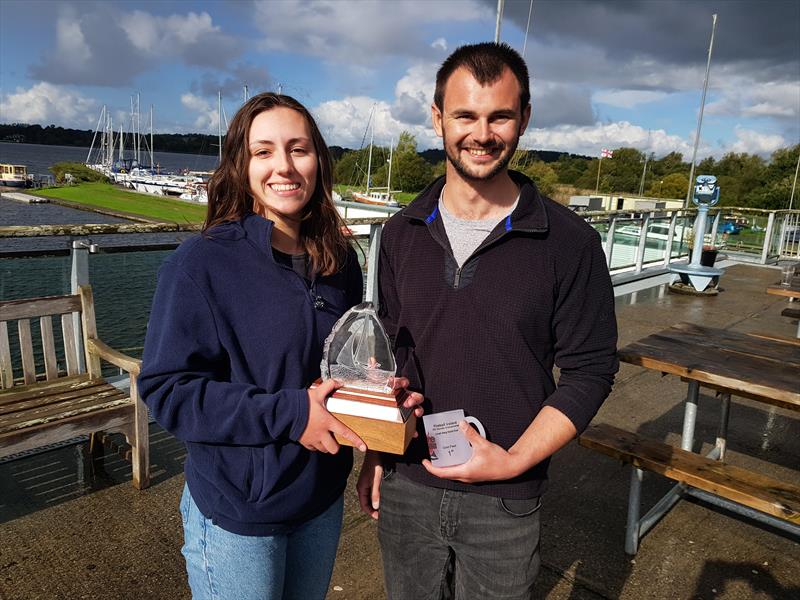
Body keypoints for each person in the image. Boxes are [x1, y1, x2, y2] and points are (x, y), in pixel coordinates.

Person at [357, 42, 619, 599]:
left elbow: (589, 371)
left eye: (500, 115)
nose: (482, 133)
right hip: (408, 483)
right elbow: (390, 360)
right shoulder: (401, 232)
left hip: (507, 494)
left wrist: (513, 460)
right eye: (465, 115)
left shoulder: (571, 244)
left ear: (524, 117)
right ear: (438, 118)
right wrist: (377, 452)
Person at [138, 92, 422, 600]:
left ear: (319, 160)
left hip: (319, 498)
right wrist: (293, 414)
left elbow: (343, 369)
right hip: (240, 512)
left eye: (299, 148)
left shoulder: (339, 263)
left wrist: (380, 401)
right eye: (263, 151)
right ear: (240, 165)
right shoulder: (200, 266)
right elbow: (168, 391)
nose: (283, 166)